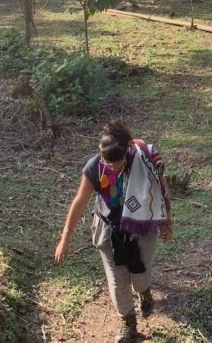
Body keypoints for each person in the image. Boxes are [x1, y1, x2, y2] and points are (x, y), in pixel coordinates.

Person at [54, 120, 173, 343]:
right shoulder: (94, 167)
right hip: (108, 230)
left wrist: (167, 221)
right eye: (106, 162)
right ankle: (129, 324)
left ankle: (144, 291)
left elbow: (161, 189)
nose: (111, 167)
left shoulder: (143, 161)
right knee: (118, 282)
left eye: (116, 163)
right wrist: (65, 238)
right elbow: (79, 202)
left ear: (126, 152)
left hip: (142, 226)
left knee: (140, 275)